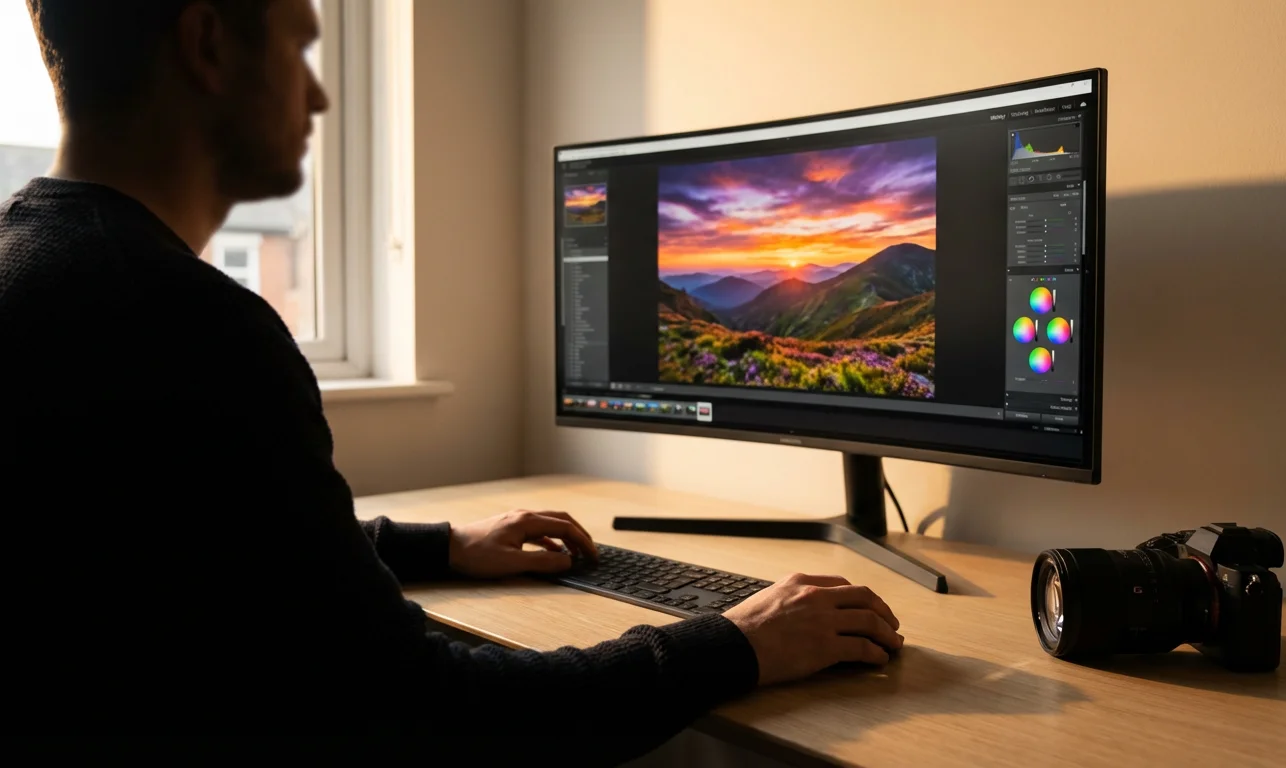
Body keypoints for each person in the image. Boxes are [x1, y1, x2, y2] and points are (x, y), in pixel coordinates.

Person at [0, 0, 903, 761]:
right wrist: (734, 644)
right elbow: (440, 715)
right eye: (299, 46)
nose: (316, 95)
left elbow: (233, 539)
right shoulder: (185, 327)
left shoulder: (42, 277)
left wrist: (444, 545)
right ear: (208, 44)